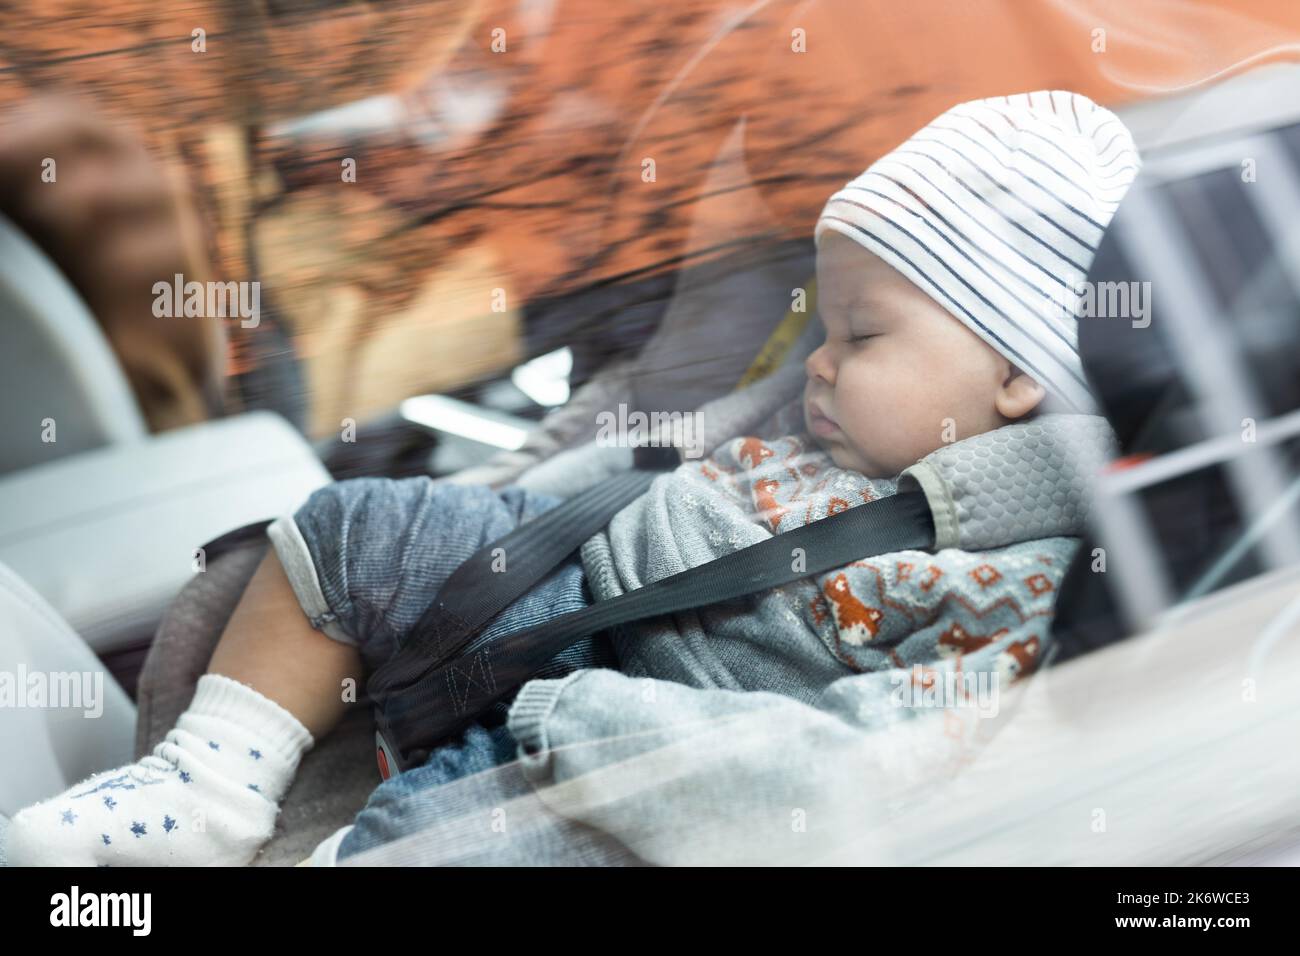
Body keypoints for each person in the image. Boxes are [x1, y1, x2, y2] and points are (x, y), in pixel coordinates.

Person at [1, 90, 1139, 867]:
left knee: (463, 836)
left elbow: (856, 776)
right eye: (820, 326)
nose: (822, 360)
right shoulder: (825, 412)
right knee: (351, 524)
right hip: (586, 577)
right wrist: (518, 493)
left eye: (861, 334)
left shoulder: (1017, 584)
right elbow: (648, 459)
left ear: (1012, 374)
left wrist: (583, 714)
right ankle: (204, 784)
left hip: (676, 726)